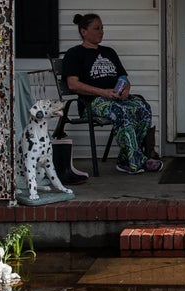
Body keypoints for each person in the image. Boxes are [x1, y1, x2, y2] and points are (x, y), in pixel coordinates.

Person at [62, 12, 161, 175]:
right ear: (83, 31)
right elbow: (73, 84)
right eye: (96, 28)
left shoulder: (109, 52)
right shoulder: (74, 54)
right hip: (92, 102)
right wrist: (103, 92)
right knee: (122, 112)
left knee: (142, 107)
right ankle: (136, 161)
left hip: (114, 99)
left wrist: (125, 90)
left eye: (102, 28)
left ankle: (125, 160)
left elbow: (123, 78)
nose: (101, 32)